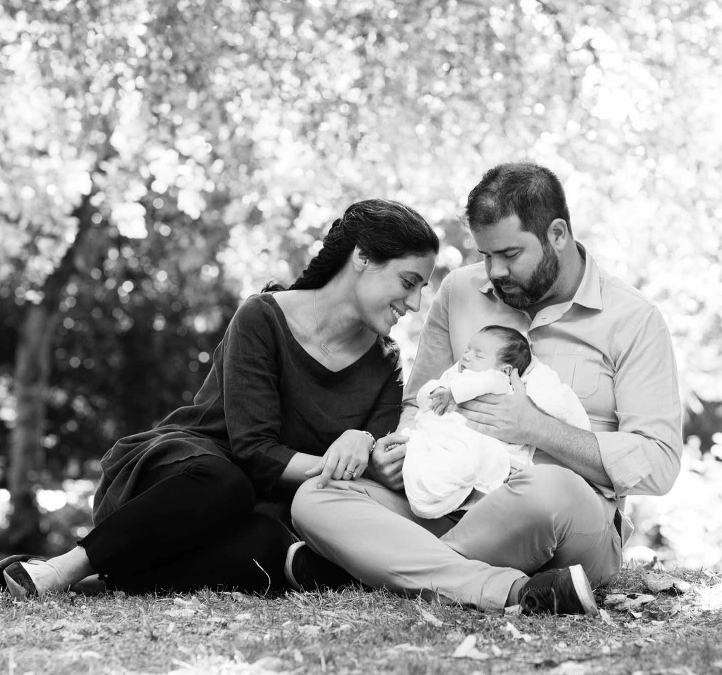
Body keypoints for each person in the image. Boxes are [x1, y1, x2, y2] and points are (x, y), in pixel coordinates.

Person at [0, 199, 439, 598]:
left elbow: (371, 468)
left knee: (284, 552)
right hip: (186, 479)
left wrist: (370, 449)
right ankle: (67, 567)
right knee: (229, 486)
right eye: (409, 282)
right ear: (362, 257)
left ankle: (106, 572)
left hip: (265, 513)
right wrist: (342, 458)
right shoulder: (262, 318)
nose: (416, 303)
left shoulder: (386, 364)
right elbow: (254, 453)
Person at [288, 162, 683, 616]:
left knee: (549, 487)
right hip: (449, 500)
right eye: (485, 254)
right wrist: (400, 452)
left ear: (557, 234)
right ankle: (515, 591)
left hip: (566, 518)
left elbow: (659, 463)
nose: (494, 271)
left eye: (510, 254)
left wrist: (538, 428)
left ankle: (379, 566)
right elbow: (420, 404)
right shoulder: (458, 292)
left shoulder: (633, 320)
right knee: (315, 497)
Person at [402, 324, 590, 519]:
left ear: (506, 371)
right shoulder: (454, 377)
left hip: (472, 446)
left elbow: (483, 382)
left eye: (479, 355)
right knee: (424, 451)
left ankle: (458, 490)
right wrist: (435, 392)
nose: (466, 356)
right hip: (445, 439)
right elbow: (423, 399)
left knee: (476, 458)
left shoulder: (499, 383)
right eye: (467, 350)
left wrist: (453, 393)